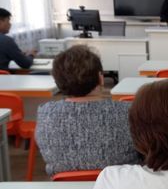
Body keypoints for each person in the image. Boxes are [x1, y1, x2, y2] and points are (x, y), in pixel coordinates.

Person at [35, 45, 139, 176]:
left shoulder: (45, 114)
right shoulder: (129, 112)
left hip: (64, 186)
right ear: (101, 78)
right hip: (122, 184)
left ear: (57, 82)